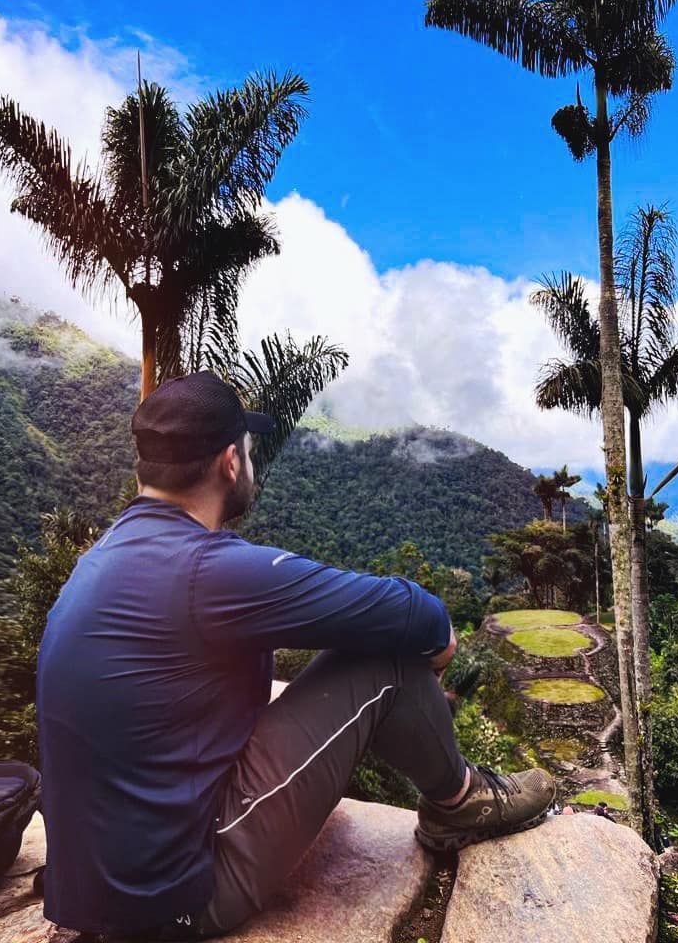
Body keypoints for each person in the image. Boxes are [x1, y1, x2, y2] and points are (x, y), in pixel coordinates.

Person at [37, 372, 555, 942]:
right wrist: (438, 655)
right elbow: (418, 616)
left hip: (105, 886)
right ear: (230, 463)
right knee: (388, 658)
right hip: (182, 896)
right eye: (249, 451)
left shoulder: (105, 555)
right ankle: (460, 803)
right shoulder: (206, 570)